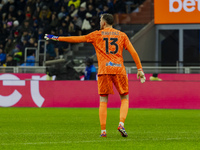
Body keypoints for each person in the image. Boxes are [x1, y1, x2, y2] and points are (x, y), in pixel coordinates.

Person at [44, 13, 146, 137]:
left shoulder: (96, 35)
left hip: (104, 70)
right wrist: (139, 69)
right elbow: (134, 52)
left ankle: (103, 131)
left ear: (103, 22)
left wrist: (56, 38)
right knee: (124, 98)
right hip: (119, 70)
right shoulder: (122, 35)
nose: (99, 22)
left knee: (103, 100)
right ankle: (121, 124)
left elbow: (77, 39)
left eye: (100, 20)